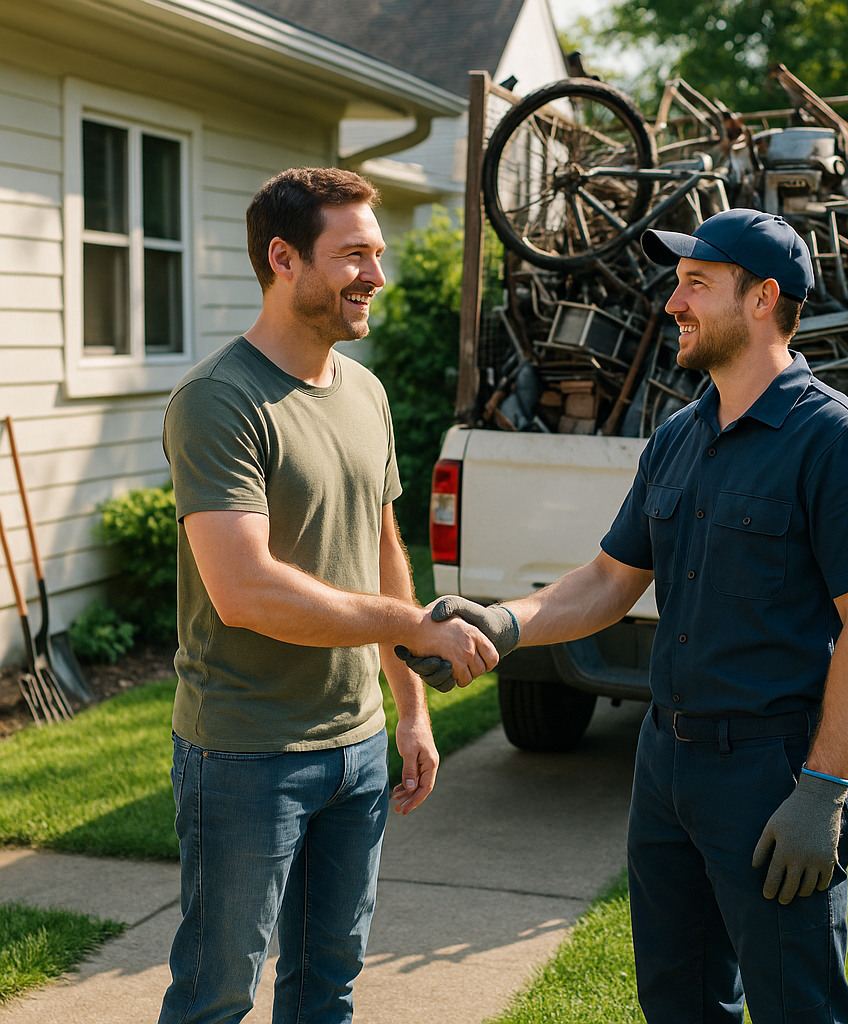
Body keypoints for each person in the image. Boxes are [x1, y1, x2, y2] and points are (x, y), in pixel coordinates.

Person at [402, 209, 848, 1023]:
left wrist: (824, 789)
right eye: (677, 284)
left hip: (771, 772)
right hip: (666, 764)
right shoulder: (680, 434)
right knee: (677, 1004)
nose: (673, 303)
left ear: (762, 299)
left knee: (797, 1007)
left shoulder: (835, 442)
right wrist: (504, 625)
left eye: (696, 284)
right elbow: (609, 578)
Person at [158, 166, 498, 1024]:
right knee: (215, 995)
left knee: (328, 988)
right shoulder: (218, 401)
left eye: (376, 254)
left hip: (358, 749)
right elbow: (245, 591)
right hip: (245, 753)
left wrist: (410, 706)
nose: (376, 277)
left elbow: (383, 551)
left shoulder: (366, 392)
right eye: (353, 255)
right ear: (283, 259)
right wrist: (412, 625)